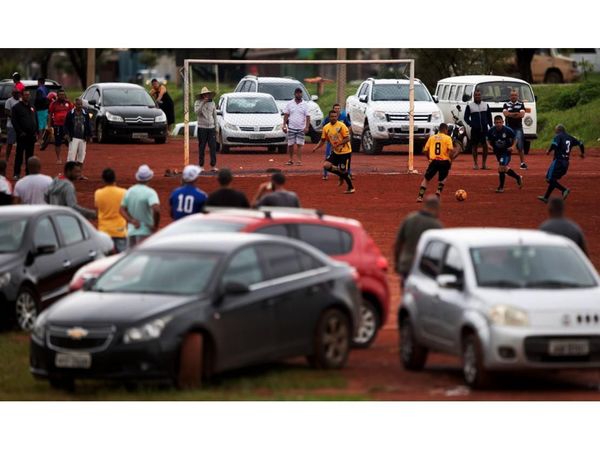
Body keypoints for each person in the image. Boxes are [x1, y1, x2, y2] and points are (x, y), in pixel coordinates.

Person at [393, 195, 443, 287]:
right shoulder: (436, 226)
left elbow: (398, 244)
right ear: (436, 208)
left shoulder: (410, 218)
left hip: (406, 265)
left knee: (406, 294)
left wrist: (397, 263)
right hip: (423, 270)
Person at [537, 124, 584, 204]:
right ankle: (546, 197)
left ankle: (564, 190)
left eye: (555, 130)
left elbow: (554, 145)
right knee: (553, 179)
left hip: (558, 161)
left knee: (549, 179)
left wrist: (549, 151)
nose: (555, 131)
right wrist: (582, 153)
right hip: (566, 163)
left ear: (558, 130)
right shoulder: (570, 137)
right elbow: (581, 143)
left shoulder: (558, 136)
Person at [312, 109, 355, 194]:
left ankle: (351, 187)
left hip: (345, 152)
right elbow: (323, 140)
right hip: (336, 152)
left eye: (335, 116)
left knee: (343, 171)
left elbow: (347, 138)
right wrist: (316, 148)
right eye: (332, 117)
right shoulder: (326, 127)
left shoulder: (342, 126)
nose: (334, 118)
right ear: (329, 117)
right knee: (326, 165)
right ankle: (341, 176)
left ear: (337, 117)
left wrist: (338, 144)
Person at [415, 123, 459, 202]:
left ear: (439, 129)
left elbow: (425, 150)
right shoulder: (448, 138)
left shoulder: (432, 138)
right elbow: (451, 150)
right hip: (444, 161)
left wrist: (429, 158)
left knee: (426, 179)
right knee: (443, 177)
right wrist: (450, 159)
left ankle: (420, 196)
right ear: (445, 130)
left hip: (434, 161)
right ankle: (438, 191)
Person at [120, 164, 160, 247]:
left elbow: (121, 209)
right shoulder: (150, 192)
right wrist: (155, 226)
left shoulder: (130, 191)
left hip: (131, 231)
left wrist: (131, 220)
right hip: (145, 231)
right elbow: (156, 209)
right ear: (149, 178)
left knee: (132, 257)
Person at [486, 115, 523, 193]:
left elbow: (515, 138)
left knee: (501, 168)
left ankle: (501, 187)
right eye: (497, 123)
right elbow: (487, 139)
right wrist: (488, 145)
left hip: (506, 152)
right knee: (504, 168)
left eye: (500, 122)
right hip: (497, 152)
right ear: (494, 123)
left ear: (503, 122)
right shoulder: (491, 131)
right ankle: (518, 177)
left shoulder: (508, 130)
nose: (498, 124)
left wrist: (513, 146)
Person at [94, 168, 128, 253]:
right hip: (119, 229)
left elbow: (98, 207)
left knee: (104, 257)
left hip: (104, 229)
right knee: (123, 257)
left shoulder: (98, 193)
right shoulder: (123, 192)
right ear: (114, 178)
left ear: (103, 179)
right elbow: (126, 210)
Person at [11, 90, 38, 180]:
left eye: (28, 94)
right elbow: (14, 121)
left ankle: (28, 173)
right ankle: (16, 173)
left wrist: (36, 132)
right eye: (25, 95)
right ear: (21, 96)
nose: (27, 96)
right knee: (19, 155)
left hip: (31, 135)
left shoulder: (32, 106)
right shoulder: (16, 107)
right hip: (22, 135)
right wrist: (20, 132)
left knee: (30, 156)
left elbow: (35, 119)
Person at [320, 103, 352, 180]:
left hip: (341, 142)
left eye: (338, 108)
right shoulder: (329, 117)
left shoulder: (343, 117)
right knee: (328, 157)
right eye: (335, 108)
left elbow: (349, 126)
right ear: (333, 109)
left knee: (345, 160)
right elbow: (323, 126)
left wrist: (347, 133)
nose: (337, 110)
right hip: (331, 142)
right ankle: (325, 174)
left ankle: (348, 174)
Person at [464, 89, 493, 170]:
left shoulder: (485, 105)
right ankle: (475, 163)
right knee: (474, 146)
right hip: (475, 129)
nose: (477, 96)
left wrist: (491, 127)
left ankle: (484, 164)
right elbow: (465, 117)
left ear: (481, 96)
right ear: (473, 96)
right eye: (476, 95)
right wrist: (471, 124)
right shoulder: (470, 106)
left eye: (479, 95)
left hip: (484, 129)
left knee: (485, 146)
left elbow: (489, 117)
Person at [64, 98, 92, 179]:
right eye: (78, 104)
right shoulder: (70, 113)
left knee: (81, 157)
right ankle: (69, 175)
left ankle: (79, 175)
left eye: (80, 104)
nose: (79, 106)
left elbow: (88, 125)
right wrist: (66, 134)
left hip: (83, 138)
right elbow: (65, 125)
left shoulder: (85, 114)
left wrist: (89, 135)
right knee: (71, 157)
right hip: (73, 138)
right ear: (74, 105)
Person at [283, 87, 310, 166]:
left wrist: (307, 127)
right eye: (297, 93)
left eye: (300, 93)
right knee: (290, 144)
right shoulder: (290, 103)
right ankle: (290, 160)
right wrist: (284, 125)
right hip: (291, 127)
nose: (299, 94)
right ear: (295, 94)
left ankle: (299, 160)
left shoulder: (305, 104)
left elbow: (308, 116)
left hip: (301, 128)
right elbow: (286, 114)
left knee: (299, 144)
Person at [194, 87, 218, 172]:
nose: (206, 96)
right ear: (202, 95)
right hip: (202, 127)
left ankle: (213, 165)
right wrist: (202, 103)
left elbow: (215, 115)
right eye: (204, 94)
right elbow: (197, 112)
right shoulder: (197, 102)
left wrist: (216, 127)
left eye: (207, 94)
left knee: (213, 147)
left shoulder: (212, 103)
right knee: (202, 147)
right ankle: (201, 165)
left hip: (211, 127)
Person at [503, 89, 528, 169]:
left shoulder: (521, 104)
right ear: (510, 96)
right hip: (508, 128)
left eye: (515, 95)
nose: (513, 97)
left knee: (520, 146)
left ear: (517, 96)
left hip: (518, 128)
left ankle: (522, 163)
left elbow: (522, 115)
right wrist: (516, 114)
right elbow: (505, 114)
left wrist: (511, 114)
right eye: (512, 95)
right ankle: (506, 163)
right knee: (508, 146)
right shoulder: (506, 104)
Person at [48, 90, 73, 165]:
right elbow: (50, 115)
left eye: (63, 95)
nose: (62, 96)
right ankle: (58, 158)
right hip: (57, 125)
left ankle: (70, 158)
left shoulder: (68, 103)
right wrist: (49, 126)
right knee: (58, 142)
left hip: (67, 126)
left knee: (70, 141)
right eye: (60, 95)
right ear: (57, 96)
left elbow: (72, 113)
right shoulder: (53, 104)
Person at [3, 89, 21, 163]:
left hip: (20, 125)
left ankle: (19, 159)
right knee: (10, 143)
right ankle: (6, 158)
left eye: (18, 93)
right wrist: (15, 117)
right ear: (13, 94)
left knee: (20, 144)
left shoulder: (20, 101)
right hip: (11, 125)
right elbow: (6, 112)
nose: (17, 94)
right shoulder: (9, 101)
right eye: (15, 93)